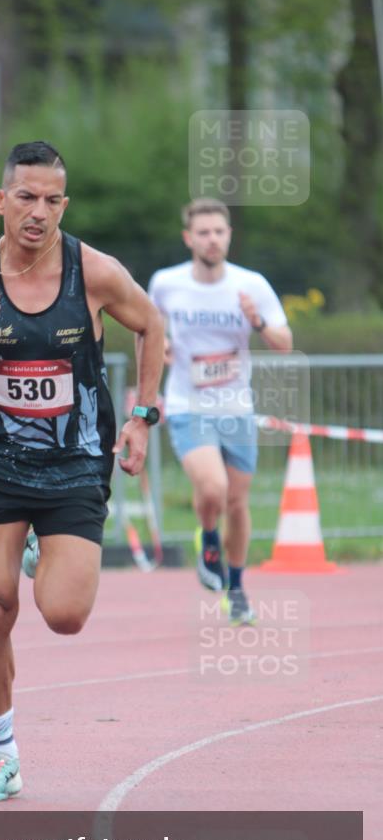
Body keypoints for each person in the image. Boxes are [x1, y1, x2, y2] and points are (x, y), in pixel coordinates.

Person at [0, 141, 164, 802]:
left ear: (64, 204)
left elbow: (151, 324)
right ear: (1, 200)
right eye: (25, 197)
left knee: (62, 615)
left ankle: (43, 546)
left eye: (52, 199)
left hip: (73, 462)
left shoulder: (94, 271)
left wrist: (143, 415)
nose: (38, 212)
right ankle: (1, 755)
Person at [148, 197, 292, 624]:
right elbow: (147, 330)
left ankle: (237, 587)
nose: (212, 239)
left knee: (238, 502)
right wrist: (162, 347)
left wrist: (259, 322)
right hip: (187, 404)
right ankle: (208, 539)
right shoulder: (166, 283)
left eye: (219, 232)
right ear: (189, 238)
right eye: (204, 232)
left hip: (236, 406)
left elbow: (284, 343)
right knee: (212, 489)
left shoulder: (251, 285)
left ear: (229, 235)